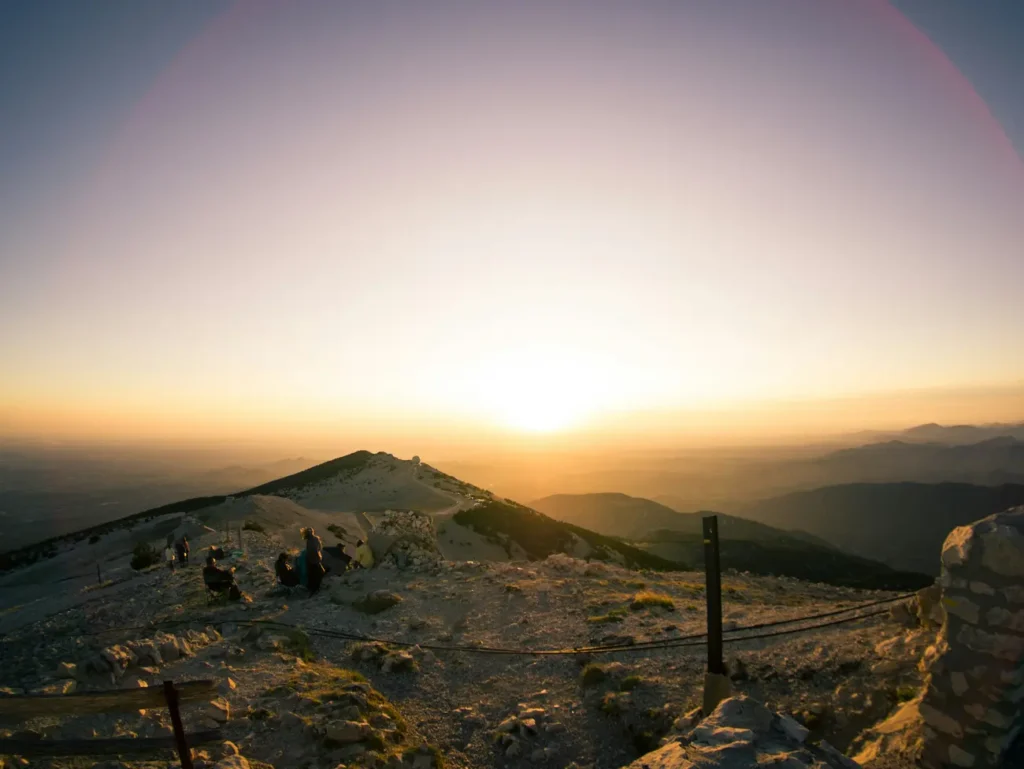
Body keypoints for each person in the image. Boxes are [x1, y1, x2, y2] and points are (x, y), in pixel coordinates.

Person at [303, 527, 325, 594]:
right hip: (315, 559)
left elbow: (310, 549)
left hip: (311, 559)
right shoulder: (315, 539)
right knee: (318, 574)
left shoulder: (309, 540)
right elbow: (319, 548)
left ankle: (312, 588)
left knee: (313, 574)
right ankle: (316, 588)